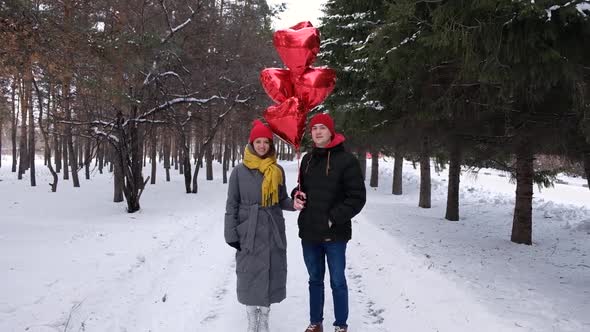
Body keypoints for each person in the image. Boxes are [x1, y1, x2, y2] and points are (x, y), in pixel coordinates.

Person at [292, 113, 366, 332]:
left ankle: (341, 325)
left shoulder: (347, 160)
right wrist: (297, 194)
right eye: (314, 128)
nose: (318, 132)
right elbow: (301, 188)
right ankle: (316, 323)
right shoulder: (307, 159)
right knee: (315, 280)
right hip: (309, 232)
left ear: (331, 131)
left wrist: (333, 218)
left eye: (322, 128)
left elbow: (357, 198)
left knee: (337, 281)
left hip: (335, 234)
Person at [224, 119, 299, 332]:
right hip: (248, 230)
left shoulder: (277, 170)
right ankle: (251, 317)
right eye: (258, 141)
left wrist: (294, 204)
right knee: (248, 273)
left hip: (272, 228)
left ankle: (265, 316)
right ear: (251, 143)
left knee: (270, 271)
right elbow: (232, 204)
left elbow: (282, 199)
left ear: (270, 145)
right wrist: (231, 234)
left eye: (266, 142)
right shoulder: (238, 172)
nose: (262, 146)